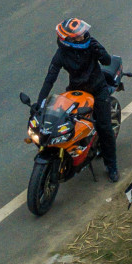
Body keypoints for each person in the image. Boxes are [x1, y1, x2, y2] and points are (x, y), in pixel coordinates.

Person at [36, 17, 119, 180]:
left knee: (104, 128)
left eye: (83, 33)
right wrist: (40, 103)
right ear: (69, 40)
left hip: (98, 90)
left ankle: (112, 166)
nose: (84, 36)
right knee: (64, 123)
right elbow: (50, 79)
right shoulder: (60, 55)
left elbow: (107, 61)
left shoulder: (92, 44)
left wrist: (101, 52)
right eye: (79, 35)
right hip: (76, 91)